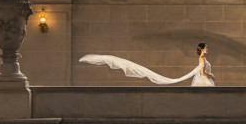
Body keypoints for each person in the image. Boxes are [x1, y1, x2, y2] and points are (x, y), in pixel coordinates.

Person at [79, 42, 215, 87]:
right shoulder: (202, 59)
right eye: (206, 48)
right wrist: (211, 75)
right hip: (203, 80)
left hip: (202, 80)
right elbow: (202, 73)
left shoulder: (202, 59)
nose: (208, 49)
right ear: (202, 49)